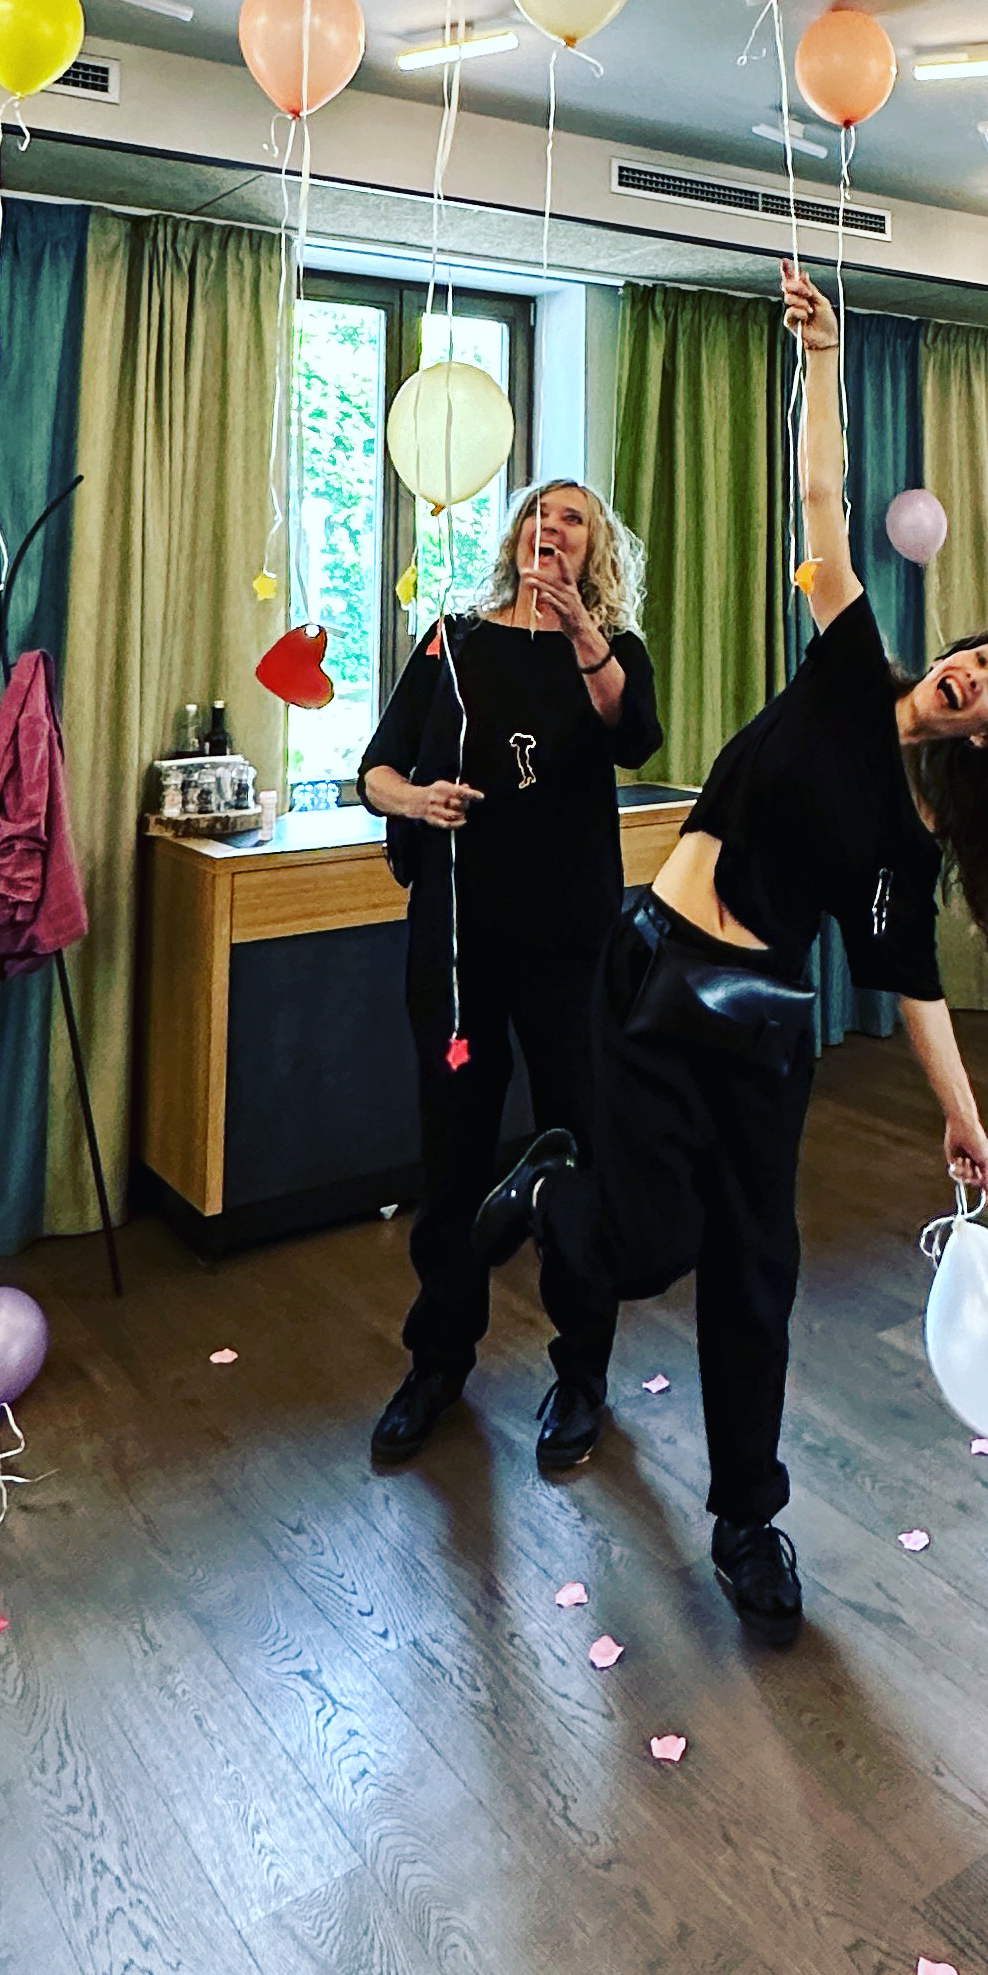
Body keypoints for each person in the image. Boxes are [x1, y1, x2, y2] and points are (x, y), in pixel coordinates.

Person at [475, 258, 988, 1645]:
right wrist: (822, 361)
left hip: (759, 1033)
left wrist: (964, 1116)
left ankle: (748, 1519)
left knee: (758, 1273)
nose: (971, 676)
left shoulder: (913, 835)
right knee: (640, 1247)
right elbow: (823, 499)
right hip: (653, 974)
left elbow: (910, 978)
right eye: (977, 657)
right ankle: (558, 1188)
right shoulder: (845, 662)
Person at [358, 478, 661, 1477]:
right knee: (451, 1152)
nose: (552, 528)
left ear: (595, 549)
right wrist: (417, 799)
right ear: (516, 535)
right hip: (457, 945)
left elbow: (634, 737)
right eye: (539, 513)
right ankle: (436, 1363)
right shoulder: (451, 641)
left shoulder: (613, 651)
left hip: (571, 946)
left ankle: (582, 1374)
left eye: (574, 519)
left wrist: (581, 633)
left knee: (577, 1150)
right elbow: (375, 771)